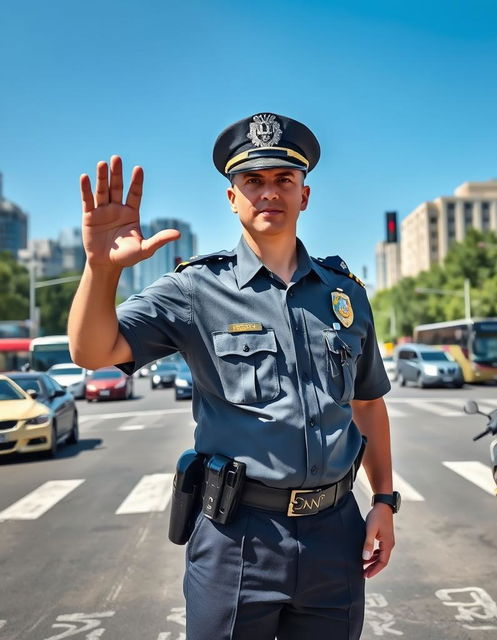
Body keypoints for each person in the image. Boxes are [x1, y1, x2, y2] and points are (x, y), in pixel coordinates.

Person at [68, 112, 399, 640]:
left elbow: (366, 404)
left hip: (336, 530)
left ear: (304, 195)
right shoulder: (196, 289)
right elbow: (92, 351)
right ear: (232, 197)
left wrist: (383, 500)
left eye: (283, 180)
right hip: (238, 536)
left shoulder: (345, 294)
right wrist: (101, 269)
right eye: (254, 180)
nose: (269, 192)